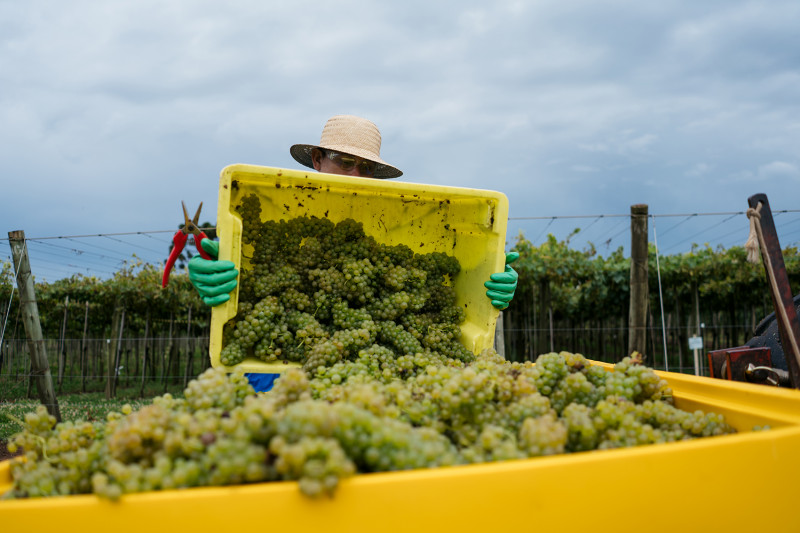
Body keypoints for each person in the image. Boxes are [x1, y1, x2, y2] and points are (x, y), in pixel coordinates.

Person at [188, 115, 518, 391]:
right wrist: (220, 278)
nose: (356, 175)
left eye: (366, 167)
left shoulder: (398, 215)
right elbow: (250, 297)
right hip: (274, 374)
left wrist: (484, 279)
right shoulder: (279, 207)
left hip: (369, 377)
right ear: (317, 159)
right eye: (345, 162)